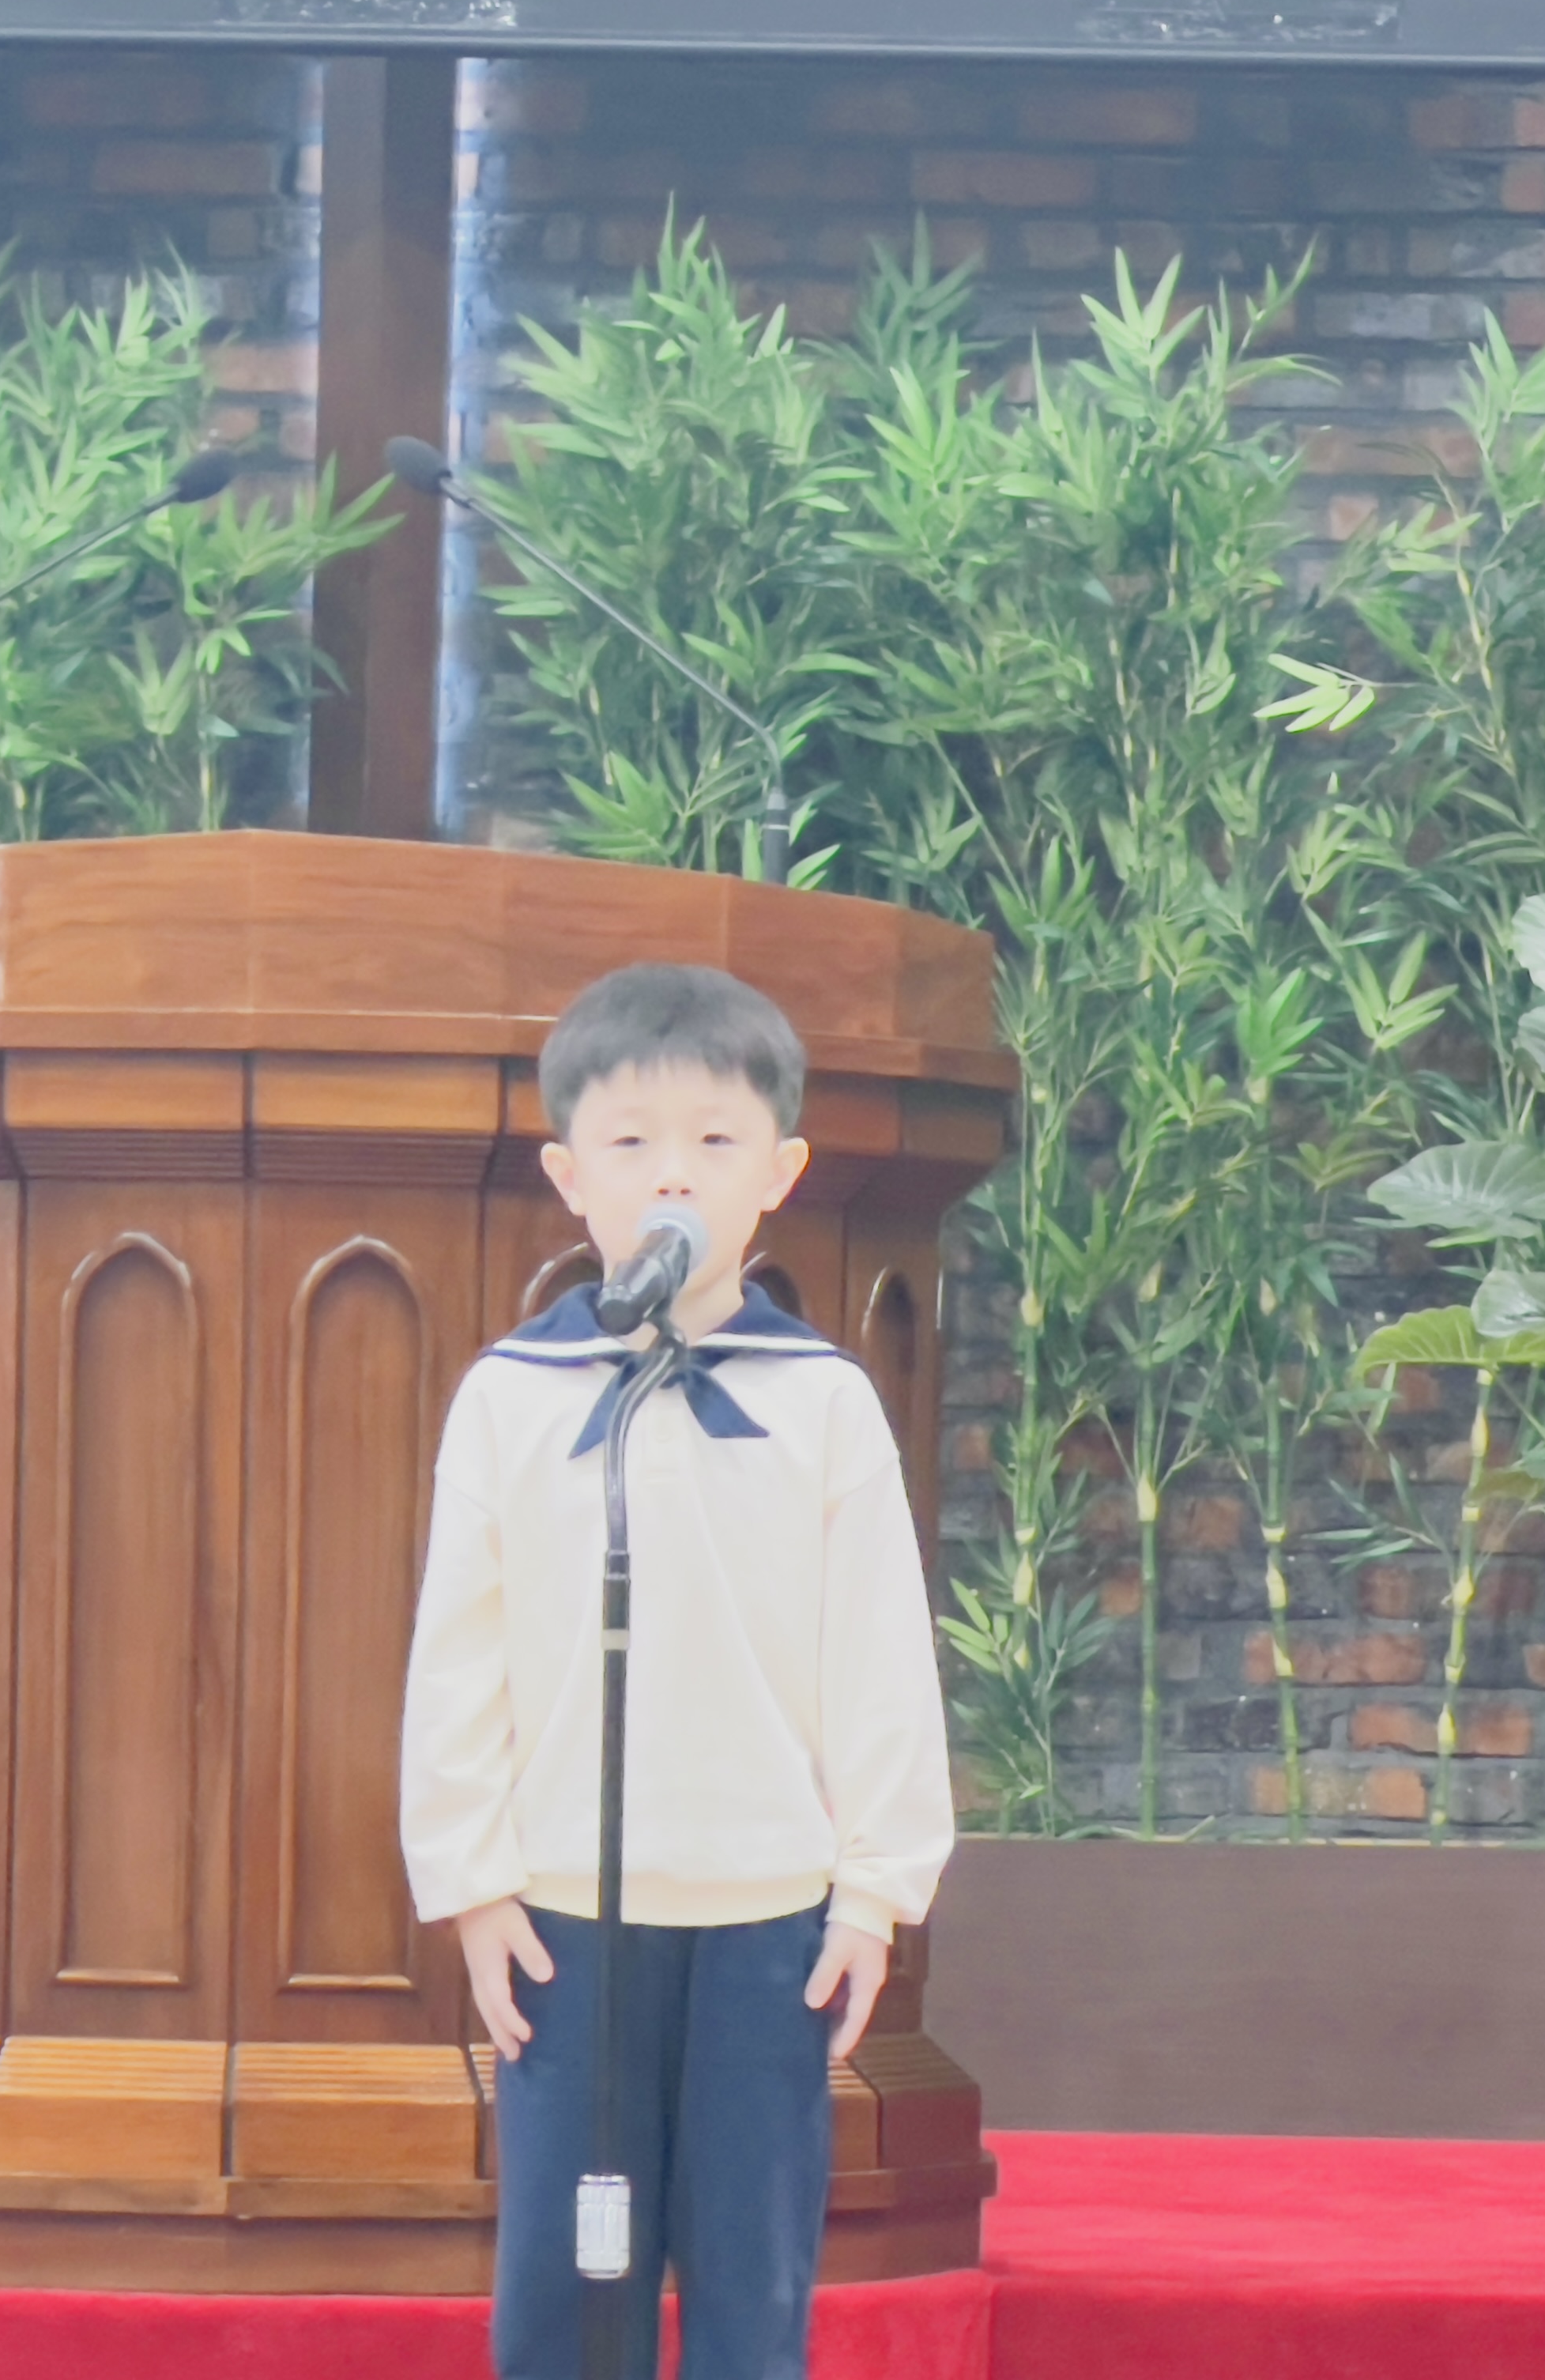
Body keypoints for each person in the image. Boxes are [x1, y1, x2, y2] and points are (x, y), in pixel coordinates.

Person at [399, 962, 955, 2380]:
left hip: (769, 1919)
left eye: (715, 1141)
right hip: (566, 1919)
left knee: (750, 2283)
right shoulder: (510, 1398)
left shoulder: (823, 1401)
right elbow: (459, 1656)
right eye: (632, 1142)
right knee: (563, 2287)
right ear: (568, 1176)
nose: (672, 1176)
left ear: (780, 1174)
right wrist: (472, 1884)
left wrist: (874, 1894)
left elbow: (880, 1658)